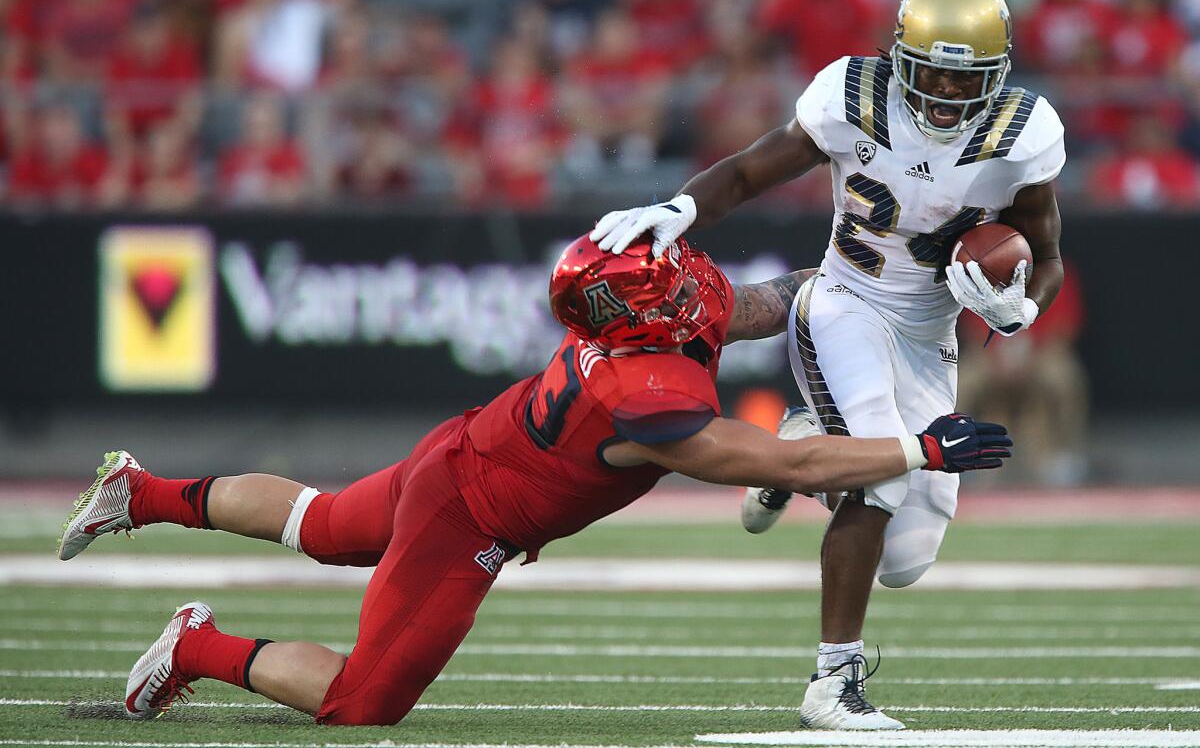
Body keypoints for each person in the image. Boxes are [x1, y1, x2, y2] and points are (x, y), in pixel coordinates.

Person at [56, 233, 1011, 727]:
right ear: (647, 313)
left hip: (465, 449)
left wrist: (902, 276)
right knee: (363, 702)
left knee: (319, 525)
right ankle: (196, 645)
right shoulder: (652, 397)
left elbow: (781, 297)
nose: (696, 287)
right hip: (469, 512)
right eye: (674, 286)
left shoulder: (635, 326)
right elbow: (780, 461)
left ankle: (136, 492)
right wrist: (922, 450)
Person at [590, 0, 1065, 730]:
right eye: (932, 69)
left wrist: (1019, 308)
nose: (944, 90)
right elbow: (750, 169)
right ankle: (830, 685)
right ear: (899, 56)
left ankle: (802, 452)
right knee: (880, 479)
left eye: (964, 75)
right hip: (846, 303)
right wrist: (681, 206)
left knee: (907, 559)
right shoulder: (853, 96)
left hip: (929, 334)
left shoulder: (1022, 136)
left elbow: (1045, 254)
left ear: (999, 75)